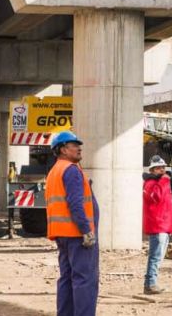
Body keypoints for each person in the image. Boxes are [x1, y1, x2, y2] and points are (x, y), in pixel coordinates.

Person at [46, 131, 100, 316]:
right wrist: (86, 230)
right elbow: (75, 203)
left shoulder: (55, 171)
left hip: (62, 235)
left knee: (67, 279)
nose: (79, 148)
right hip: (78, 235)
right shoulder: (71, 170)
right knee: (85, 280)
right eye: (74, 145)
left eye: (79, 145)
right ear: (62, 149)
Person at [142, 155, 172, 294]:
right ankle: (150, 284)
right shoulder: (151, 184)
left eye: (163, 167)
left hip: (164, 225)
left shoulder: (159, 182)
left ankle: (150, 283)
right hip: (158, 225)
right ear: (152, 170)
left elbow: (167, 205)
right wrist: (164, 181)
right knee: (155, 256)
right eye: (158, 168)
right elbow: (156, 198)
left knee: (158, 256)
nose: (162, 170)